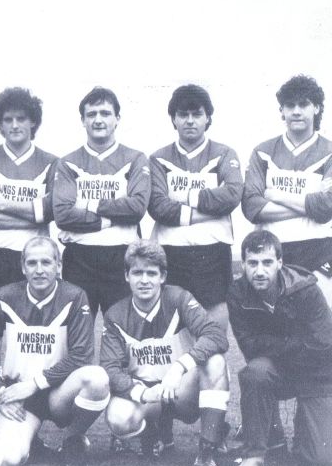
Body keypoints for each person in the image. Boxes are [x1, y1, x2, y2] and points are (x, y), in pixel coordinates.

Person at [0, 236, 110, 466]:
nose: (39, 270)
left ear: (59, 266)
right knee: (7, 459)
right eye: (32, 263)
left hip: (59, 392)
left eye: (46, 263)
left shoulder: (75, 297)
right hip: (20, 393)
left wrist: (37, 383)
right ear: (22, 267)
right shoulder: (5, 296)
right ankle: (32, 443)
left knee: (97, 379)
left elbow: (81, 355)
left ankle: (72, 438)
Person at [0, 88, 58, 427]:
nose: (15, 124)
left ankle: (28, 423)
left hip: (32, 263)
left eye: (22, 118)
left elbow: (51, 209)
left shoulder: (51, 162)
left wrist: (1, 204)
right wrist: (31, 214)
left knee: (30, 347)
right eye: (8, 119)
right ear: (0, 125)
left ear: (34, 122)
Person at [100, 240, 230, 466]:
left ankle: (207, 450)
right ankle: (154, 431)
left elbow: (216, 336)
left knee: (216, 362)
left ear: (163, 276)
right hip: (148, 394)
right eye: (137, 273)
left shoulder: (179, 299)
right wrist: (141, 393)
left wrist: (180, 367)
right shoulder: (115, 314)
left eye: (151, 273)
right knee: (119, 418)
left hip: (181, 389)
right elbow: (109, 368)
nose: (144, 280)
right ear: (126, 276)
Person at [228, 230, 332, 466]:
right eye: (252, 263)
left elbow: (323, 344)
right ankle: (255, 454)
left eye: (267, 262)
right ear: (242, 264)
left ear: (280, 263)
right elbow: (248, 346)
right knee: (255, 372)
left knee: (319, 458)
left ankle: (304, 431)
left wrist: (275, 345)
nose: (260, 271)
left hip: (316, 372)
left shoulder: (306, 288)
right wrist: (293, 343)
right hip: (277, 369)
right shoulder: (237, 293)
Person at [148, 84, 242, 327]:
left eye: (197, 114)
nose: (190, 121)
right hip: (171, 250)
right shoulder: (159, 158)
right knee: (173, 329)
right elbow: (158, 206)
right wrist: (210, 211)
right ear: (174, 119)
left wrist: (183, 197)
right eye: (183, 114)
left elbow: (232, 195)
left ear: (208, 117)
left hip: (213, 250)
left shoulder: (224, 153)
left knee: (214, 330)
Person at [53, 86, 150, 316]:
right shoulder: (68, 162)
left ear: (117, 119)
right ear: (83, 121)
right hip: (79, 257)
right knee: (78, 330)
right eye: (91, 114)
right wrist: (113, 218)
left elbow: (137, 208)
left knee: (123, 329)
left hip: (122, 255)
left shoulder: (135, 158)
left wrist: (88, 204)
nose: (98, 120)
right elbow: (63, 214)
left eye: (105, 113)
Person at [241, 74, 332, 305]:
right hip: (272, 250)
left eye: (303, 104)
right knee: (276, 327)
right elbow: (251, 206)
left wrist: (275, 195)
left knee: (320, 326)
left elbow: (326, 207)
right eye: (290, 105)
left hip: (319, 248)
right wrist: (309, 204)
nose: (296, 111)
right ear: (281, 111)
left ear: (317, 108)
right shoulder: (263, 151)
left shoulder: (329, 151)